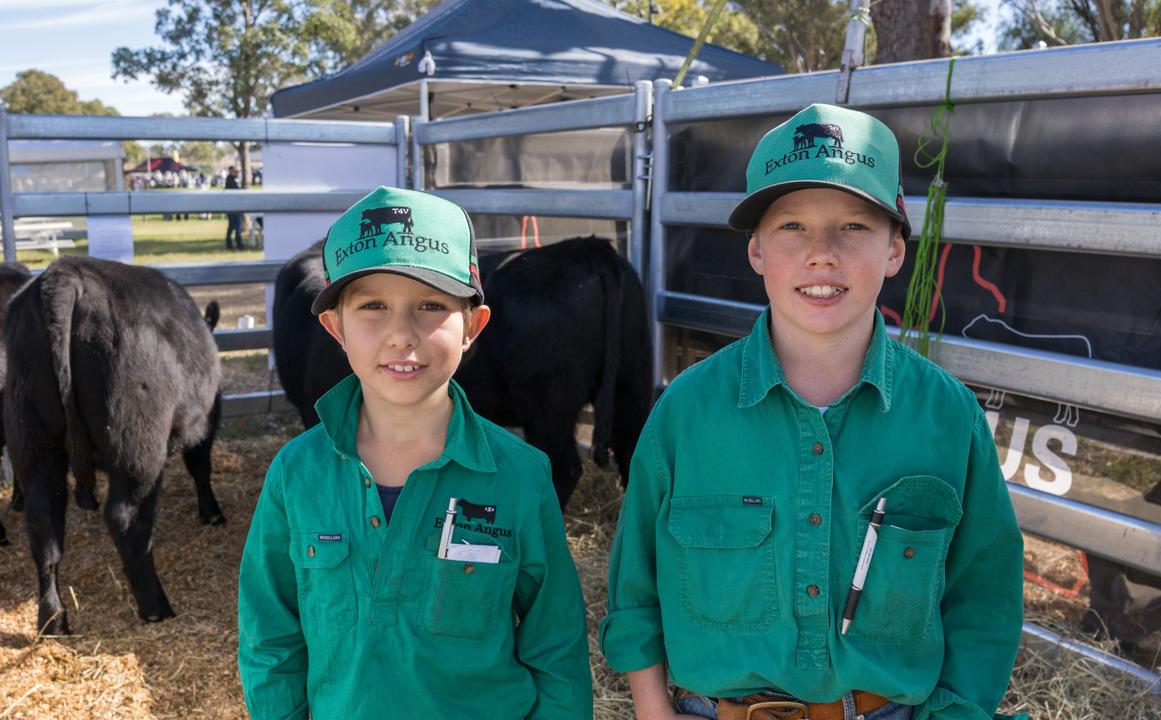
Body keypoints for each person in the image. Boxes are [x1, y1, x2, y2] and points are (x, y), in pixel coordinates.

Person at [601, 104, 1025, 720]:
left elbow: (983, 598)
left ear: (895, 250)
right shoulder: (685, 413)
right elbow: (635, 588)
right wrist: (651, 707)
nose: (821, 253)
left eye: (854, 226)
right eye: (792, 226)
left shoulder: (948, 418)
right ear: (755, 251)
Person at [237, 187, 593, 719]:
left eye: (431, 305)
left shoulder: (519, 475)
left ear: (473, 326)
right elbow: (270, 637)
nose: (402, 335)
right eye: (373, 306)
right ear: (336, 327)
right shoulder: (297, 473)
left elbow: (556, 646)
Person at [224, 166, 243, 250]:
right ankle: (238, 244)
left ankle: (230, 244)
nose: (237, 173)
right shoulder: (230, 181)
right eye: (235, 171)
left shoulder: (231, 180)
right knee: (236, 226)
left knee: (232, 227)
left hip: (232, 208)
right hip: (233, 208)